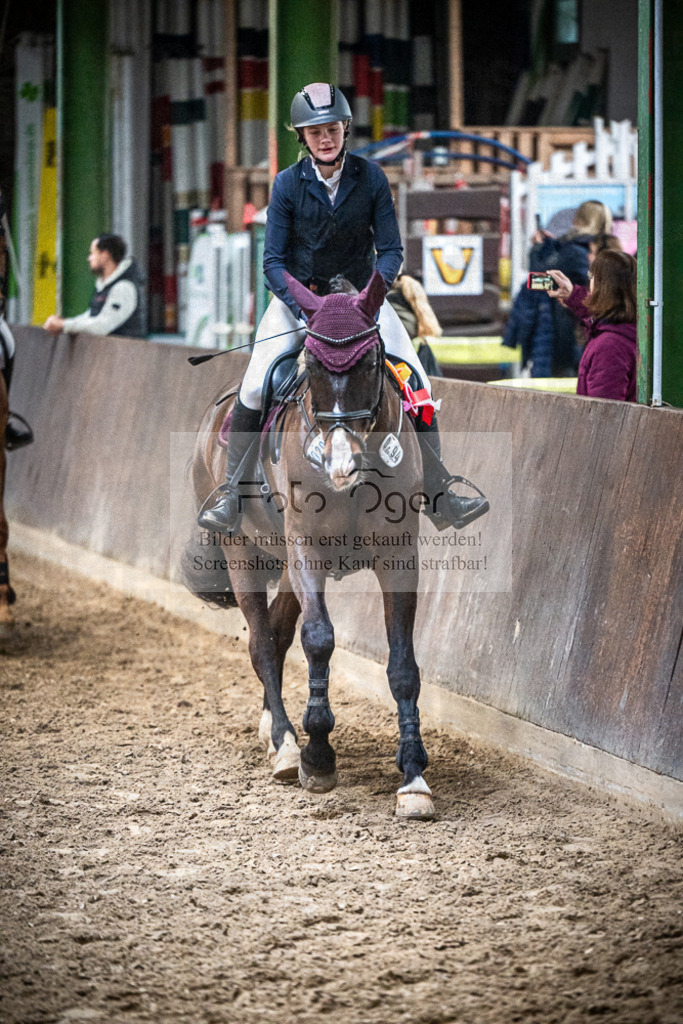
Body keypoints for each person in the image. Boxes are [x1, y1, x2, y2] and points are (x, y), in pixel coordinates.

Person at [199, 83, 488, 534]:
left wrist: (371, 295)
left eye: (332, 129)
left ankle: (438, 489)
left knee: (416, 379)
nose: (325, 138)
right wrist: (304, 306)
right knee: (256, 384)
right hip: (302, 304)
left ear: (345, 129)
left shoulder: (371, 178)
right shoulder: (286, 185)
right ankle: (232, 494)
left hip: (361, 302)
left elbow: (391, 250)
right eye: (315, 132)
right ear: (303, 138)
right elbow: (272, 262)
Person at [503, 200, 613, 377]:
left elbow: (539, 282)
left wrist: (539, 250)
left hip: (564, 333)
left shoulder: (571, 251)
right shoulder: (610, 252)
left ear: (577, 221)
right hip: (595, 332)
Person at [547, 249, 637, 402]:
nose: (589, 281)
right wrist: (573, 296)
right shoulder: (632, 327)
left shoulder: (609, 347)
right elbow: (600, 320)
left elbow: (604, 412)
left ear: (603, 286)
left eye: (591, 276)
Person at [43, 234, 146, 338]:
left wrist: (64, 325)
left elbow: (102, 326)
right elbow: (91, 316)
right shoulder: (105, 286)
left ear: (105, 255)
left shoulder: (124, 287)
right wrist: (64, 323)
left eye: (92, 253)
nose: (89, 258)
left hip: (125, 352)